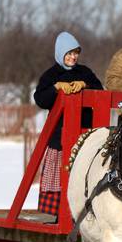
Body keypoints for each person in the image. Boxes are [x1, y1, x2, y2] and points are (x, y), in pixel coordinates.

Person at [33, 31, 103, 215]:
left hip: (84, 135)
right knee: (58, 176)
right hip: (59, 136)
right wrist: (55, 88)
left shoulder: (85, 72)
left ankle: (84, 213)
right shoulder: (51, 75)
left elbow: (100, 91)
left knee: (82, 176)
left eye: (75, 53)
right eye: (69, 53)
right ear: (61, 53)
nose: (73, 57)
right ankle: (54, 214)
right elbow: (40, 99)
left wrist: (85, 85)